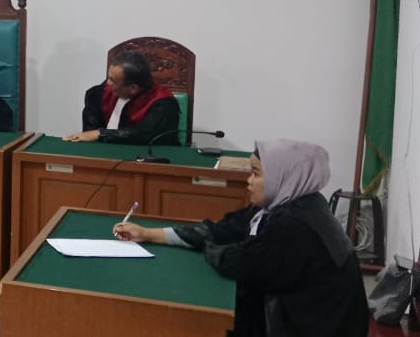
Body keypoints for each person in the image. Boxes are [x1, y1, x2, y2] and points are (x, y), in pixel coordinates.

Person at [113, 139, 368, 337]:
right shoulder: (288, 202)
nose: (248, 181)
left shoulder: (294, 224)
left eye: (256, 173)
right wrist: (149, 234)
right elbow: (223, 229)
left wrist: (209, 248)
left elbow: (238, 262)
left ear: (283, 176)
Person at [64, 51, 181, 145]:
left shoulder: (163, 104)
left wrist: (100, 134)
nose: (108, 83)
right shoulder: (103, 93)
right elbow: (90, 130)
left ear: (133, 88)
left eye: (113, 81)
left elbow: (143, 134)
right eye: (109, 77)